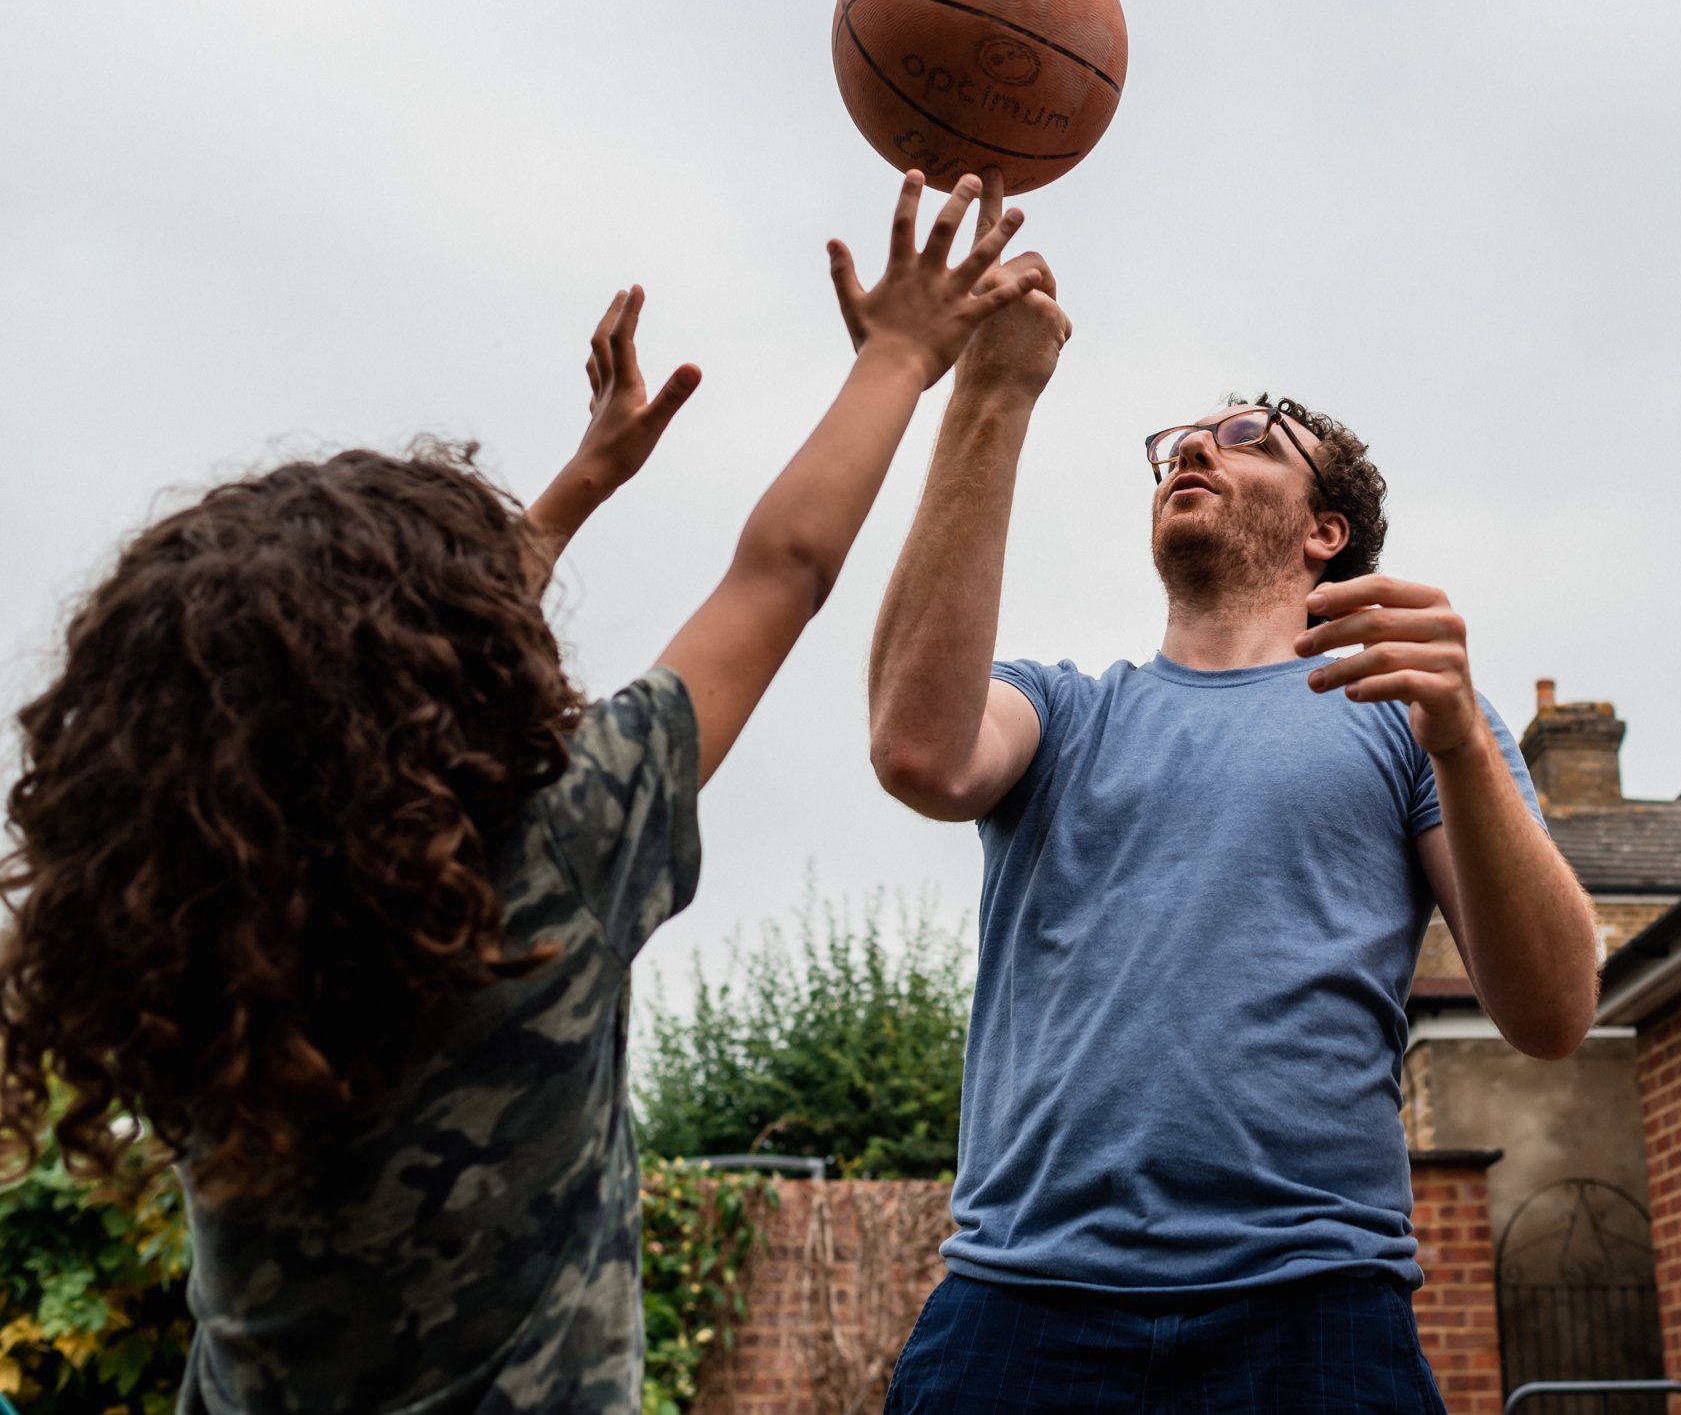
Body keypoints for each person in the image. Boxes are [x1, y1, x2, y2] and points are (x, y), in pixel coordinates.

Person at [0, 172, 1039, 1415]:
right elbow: (786, 567)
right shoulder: (549, 863)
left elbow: (365, 685)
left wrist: (583, 484)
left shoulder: (189, 940)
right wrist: (901, 356)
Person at [867, 182, 1599, 1414]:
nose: (1194, 447)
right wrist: (991, 393)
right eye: (1179, 443)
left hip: (1315, 1310)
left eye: (1249, 435)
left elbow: (1552, 1011)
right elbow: (918, 754)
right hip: (1022, 1305)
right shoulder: (1063, 708)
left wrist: (1466, 745)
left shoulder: (1412, 714)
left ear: (1328, 532)